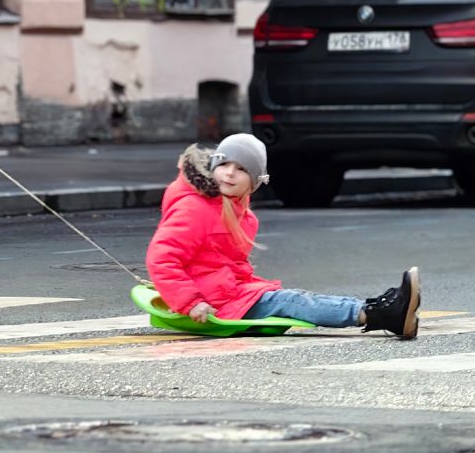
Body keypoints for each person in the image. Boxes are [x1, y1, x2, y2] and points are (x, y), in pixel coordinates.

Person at [146, 132, 421, 337]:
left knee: (293, 298)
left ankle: (378, 308)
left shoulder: (244, 216)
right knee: (292, 301)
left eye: (242, 169)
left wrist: (250, 286)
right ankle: (379, 314)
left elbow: (229, 264)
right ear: (214, 166)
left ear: (254, 181)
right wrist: (190, 302)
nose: (230, 173)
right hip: (213, 303)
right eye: (225, 164)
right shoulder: (194, 208)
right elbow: (162, 258)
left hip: (228, 294)